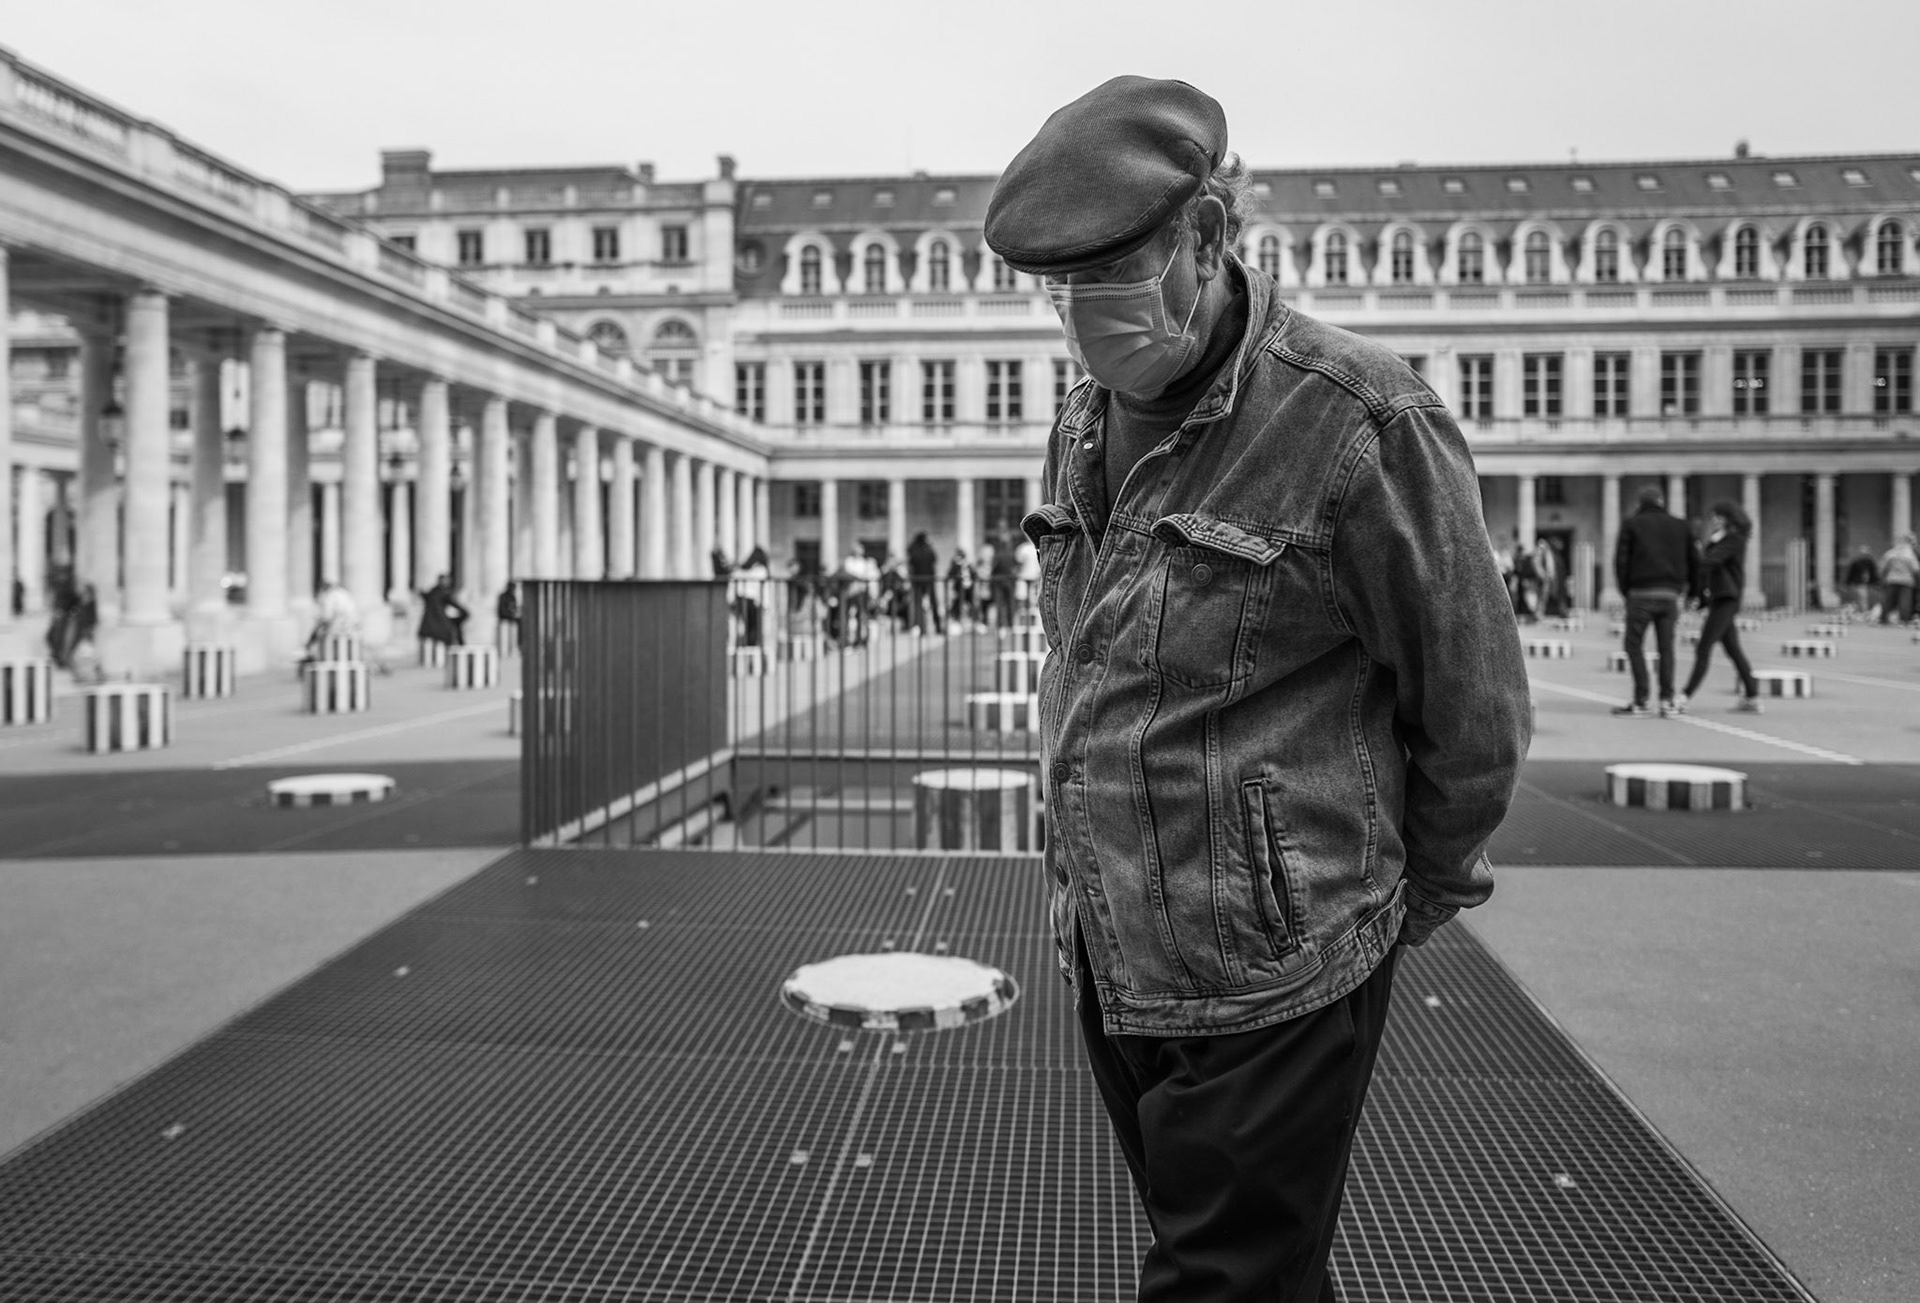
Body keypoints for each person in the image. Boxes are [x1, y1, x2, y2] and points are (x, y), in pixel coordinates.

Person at [983, 76, 1531, 1303]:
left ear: (1212, 235)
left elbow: (1473, 702)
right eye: (1060, 284)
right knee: (1257, 1268)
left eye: (1112, 269)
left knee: (1219, 1280)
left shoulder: (1361, 422)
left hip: (1276, 958)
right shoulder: (1082, 421)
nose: (1084, 310)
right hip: (1119, 942)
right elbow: (1090, 659)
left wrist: (1389, 903)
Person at [1611, 485, 1699, 718]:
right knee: (1666, 648)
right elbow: (1694, 561)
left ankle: (1641, 699)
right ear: (1662, 501)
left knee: (1633, 645)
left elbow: (1621, 562)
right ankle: (1667, 700)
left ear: (1641, 503)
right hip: (1670, 595)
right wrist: (1693, 593)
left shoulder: (1632, 524)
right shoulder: (1681, 526)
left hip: (1640, 593)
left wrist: (1626, 591)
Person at [1675, 501, 1761, 714]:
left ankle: (1684, 696)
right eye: (1712, 516)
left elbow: (1710, 562)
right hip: (1718, 598)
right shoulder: (1719, 539)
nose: (1713, 520)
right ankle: (1752, 696)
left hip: (1728, 599)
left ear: (1727, 518)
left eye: (1717, 516)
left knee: (1704, 647)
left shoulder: (1734, 540)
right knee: (1733, 649)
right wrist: (1702, 597)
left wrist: (1696, 555)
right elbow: (1708, 568)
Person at [906, 532, 945, 635]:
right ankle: (938, 627)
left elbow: (911, 564)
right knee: (933, 603)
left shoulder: (913, 550)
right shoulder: (928, 549)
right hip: (928, 579)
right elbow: (934, 560)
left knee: (918, 605)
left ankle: (920, 627)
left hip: (917, 581)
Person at [733, 546, 771, 647]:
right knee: (753, 628)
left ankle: (744, 646)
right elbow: (762, 589)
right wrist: (765, 604)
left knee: (745, 627)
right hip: (753, 601)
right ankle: (750, 648)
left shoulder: (742, 571)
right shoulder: (761, 570)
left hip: (741, 599)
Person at [418, 573, 467, 650]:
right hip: (437, 620)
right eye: (445, 580)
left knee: (440, 638)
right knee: (447, 633)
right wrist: (464, 612)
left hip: (433, 621)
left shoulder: (437, 592)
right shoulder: (440, 593)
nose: (447, 582)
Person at [1879, 533, 1918, 625]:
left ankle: (1883, 618)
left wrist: (1884, 576)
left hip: (1892, 579)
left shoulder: (1891, 553)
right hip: (1906, 580)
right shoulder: (1909, 554)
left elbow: (1883, 566)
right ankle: (1904, 620)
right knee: (1905, 601)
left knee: (1888, 600)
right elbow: (1915, 568)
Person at [1842, 545, 1879, 615]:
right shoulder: (1857, 562)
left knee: (1863, 597)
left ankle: (1863, 611)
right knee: (1862, 597)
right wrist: (1847, 582)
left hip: (1867, 583)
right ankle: (1863, 611)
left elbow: (1873, 573)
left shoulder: (1870, 562)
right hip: (1859, 582)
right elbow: (1851, 572)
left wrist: (1875, 582)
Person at [495, 582, 521, 655]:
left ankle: (519, 643)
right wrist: (511, 613)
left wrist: (515, 612)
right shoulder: (503, 596)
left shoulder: (512, 596)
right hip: (504, 616)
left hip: (510, 615)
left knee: (521, 622)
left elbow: (514, 607)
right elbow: (501, 610)